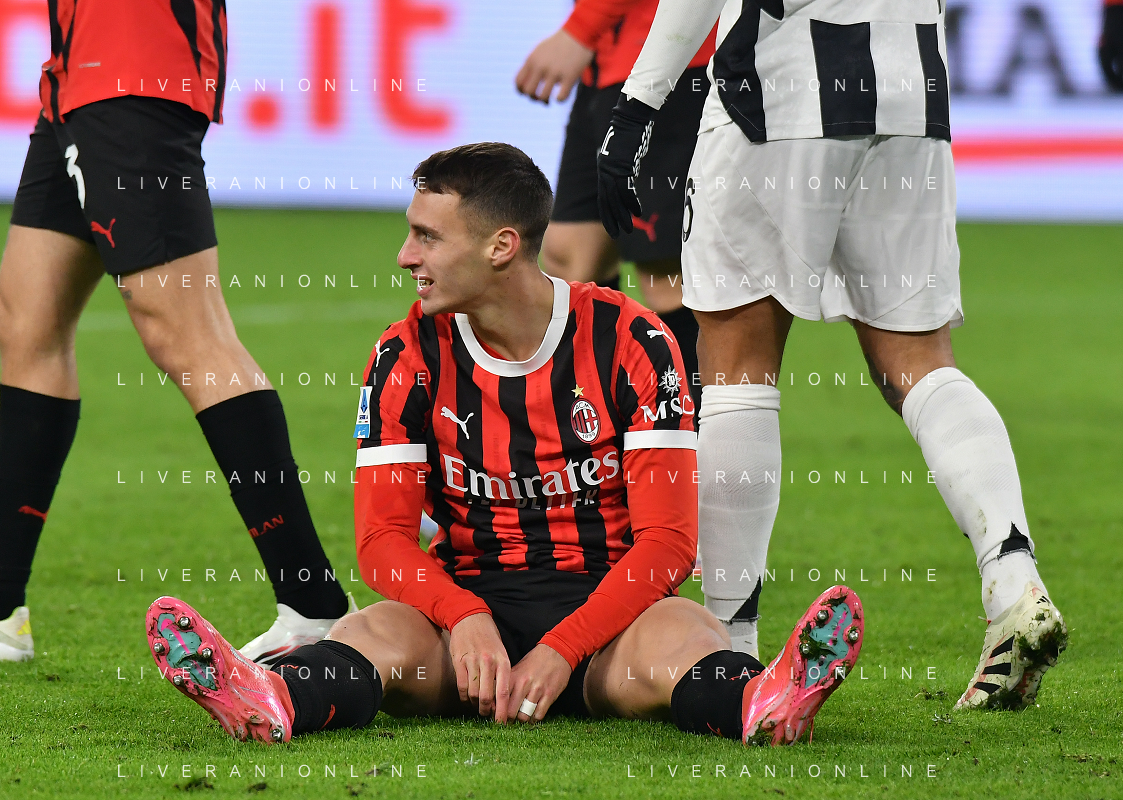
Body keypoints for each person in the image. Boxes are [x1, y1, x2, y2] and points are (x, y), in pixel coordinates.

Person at [144, 143, 865, 746]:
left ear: (501, 246)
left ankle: (763, 700)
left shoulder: (632, 340)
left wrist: (562, 647)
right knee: (377, 632)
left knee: (685, 632)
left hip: (610, 626)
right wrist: (465, 617)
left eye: (427, 237)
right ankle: (271, 696)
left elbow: (668, 543)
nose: (404, 256)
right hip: (465, 626)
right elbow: (382, 541)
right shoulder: (403, 356)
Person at [595, 0, 1067, 710]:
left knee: (736, 368)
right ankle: (1012, 582)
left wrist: (638, 104)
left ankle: (729, 649)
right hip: (910, 91)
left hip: (776, 92)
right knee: (921, 361)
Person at [0, 0, 350, 666]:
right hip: (75, 79)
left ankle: (315, 608)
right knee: (26, 320)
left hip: (135, 68)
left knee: (187, 332)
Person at [515, 2, 718, 411]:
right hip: (607, 63)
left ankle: (694, 433)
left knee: (667, 272)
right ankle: (601, 427)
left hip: (669, 57)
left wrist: (579, 30)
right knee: (570, 255)